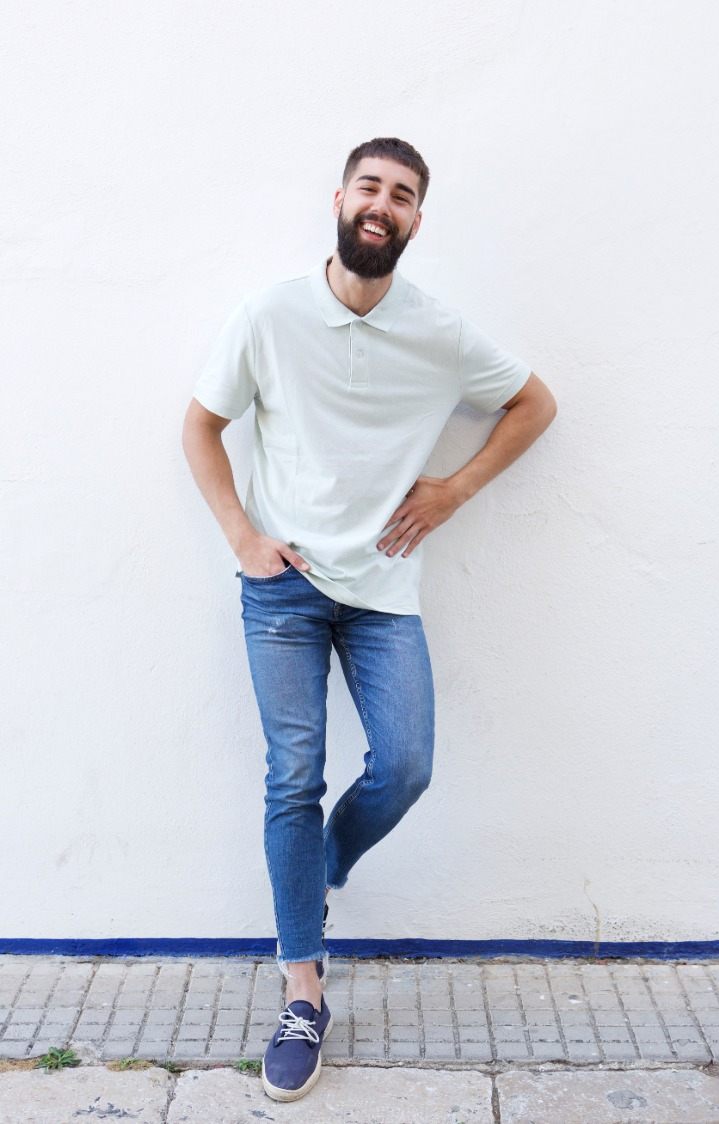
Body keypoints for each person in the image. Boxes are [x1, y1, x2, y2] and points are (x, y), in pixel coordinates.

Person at [182, 136, 557, 1102]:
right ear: (341, 199)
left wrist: (456, 490)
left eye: (402, 194)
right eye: (369, 187)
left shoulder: (437, 331)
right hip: (283, 587)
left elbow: (533, 401)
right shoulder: (269, 315)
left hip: (382, 589)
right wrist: (240, 533)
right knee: (293, 774)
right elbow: (200, 425)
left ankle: (318, 874)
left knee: (407, 762)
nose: (381, 204)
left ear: (417, 220)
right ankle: (303, 991)